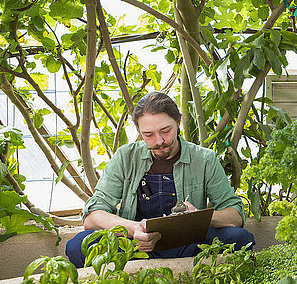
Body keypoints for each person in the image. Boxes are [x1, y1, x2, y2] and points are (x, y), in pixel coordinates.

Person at [65, 91, 254, 267]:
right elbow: (92, 217)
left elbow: (235, 215)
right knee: (77, 246)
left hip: (190, 244)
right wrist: (134, 229)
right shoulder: (125, 157)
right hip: (136, 246)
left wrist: (198, 217)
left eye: (166, 131)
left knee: (240, 238)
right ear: (139, 131)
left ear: (178, 122)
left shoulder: (204, 159)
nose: (159, 141)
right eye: (148, 135)